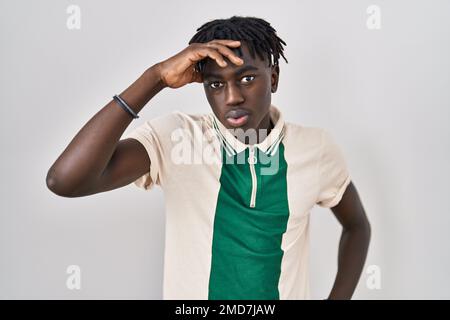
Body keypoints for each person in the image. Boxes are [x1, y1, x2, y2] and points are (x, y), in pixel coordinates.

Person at [46, 16, 371, 300]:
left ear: (273, 77)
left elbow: (357, 226)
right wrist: (155, 77)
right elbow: (65, 180)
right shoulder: (176, 138)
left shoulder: (315, 148)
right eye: (216, 83)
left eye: (247, 78)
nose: (232, 97)